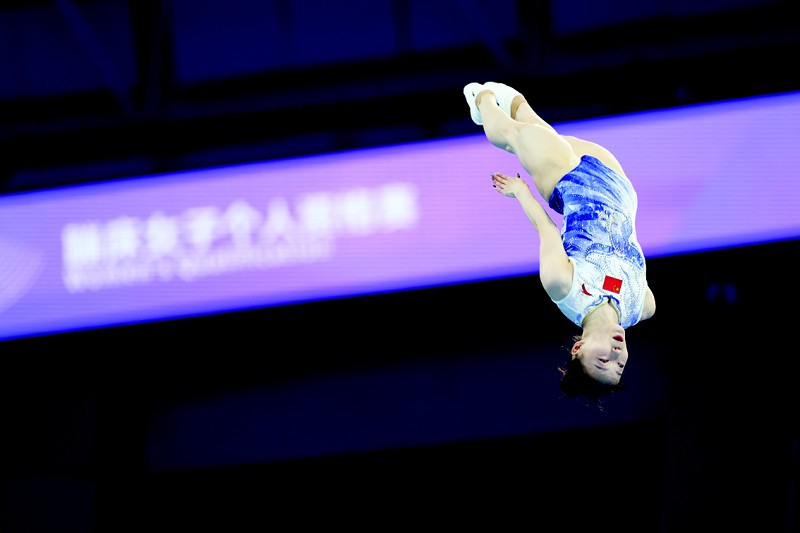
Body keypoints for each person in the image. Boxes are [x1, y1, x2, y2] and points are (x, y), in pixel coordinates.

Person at [462, 81, 656, 402]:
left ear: (578, 347)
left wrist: (521, 192)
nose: (615, 354)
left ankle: (479, 98)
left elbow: (547, 231)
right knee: (533, 123)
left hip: (566, 179)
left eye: (602, 360)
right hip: (616, 183)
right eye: (620, 366)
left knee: (514, 135)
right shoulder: (640, 308)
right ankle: (507, 98)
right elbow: (642, 287)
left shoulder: (564, 288)